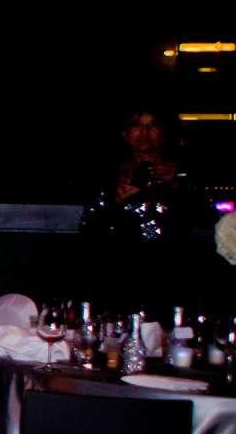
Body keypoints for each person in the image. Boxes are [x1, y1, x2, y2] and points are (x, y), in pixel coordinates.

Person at [79, 108, 209, 315]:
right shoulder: (109, 175)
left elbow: (204, 219)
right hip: (118, 275)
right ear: (125, 134)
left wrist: (176, 185)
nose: (144, 133)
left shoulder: (182, 173)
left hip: (172, 275)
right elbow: (89, 227)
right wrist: (115, 203)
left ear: (164, 134)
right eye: (136, 125)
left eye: (153, 125)